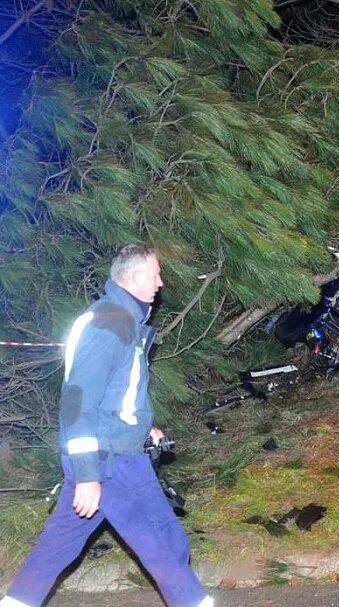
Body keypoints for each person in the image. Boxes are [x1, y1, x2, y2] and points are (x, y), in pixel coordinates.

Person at [1, 245, 212, 607]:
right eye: (155, 274)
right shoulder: (110, 322)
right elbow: (78, 400)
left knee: (58, 545)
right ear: (133, 277)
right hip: (110, 461)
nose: (161, 283)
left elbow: (118, 393)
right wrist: (87, 474)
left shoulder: (123, 318)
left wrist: (145, 429)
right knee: (162, 542)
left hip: (109, 453)